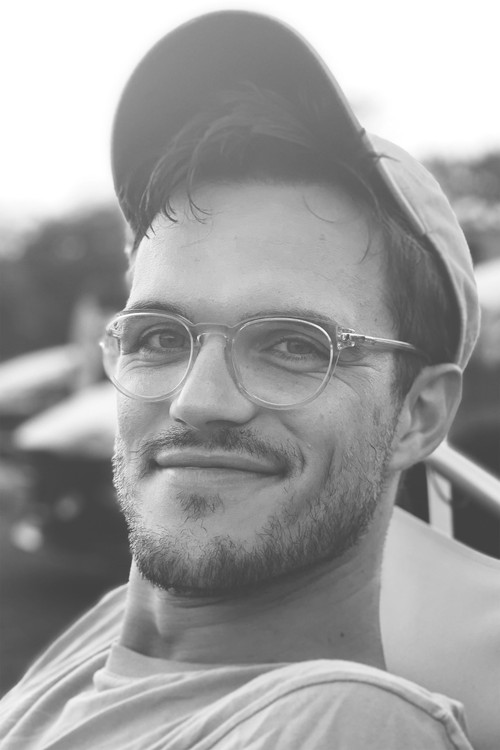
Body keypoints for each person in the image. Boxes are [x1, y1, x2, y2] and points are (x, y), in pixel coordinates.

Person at [0, 11, 480, 749]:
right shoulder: (106, 635)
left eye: (292, 345)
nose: (197, 401)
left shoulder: (349, 725)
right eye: (160, 337)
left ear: (417, 415)